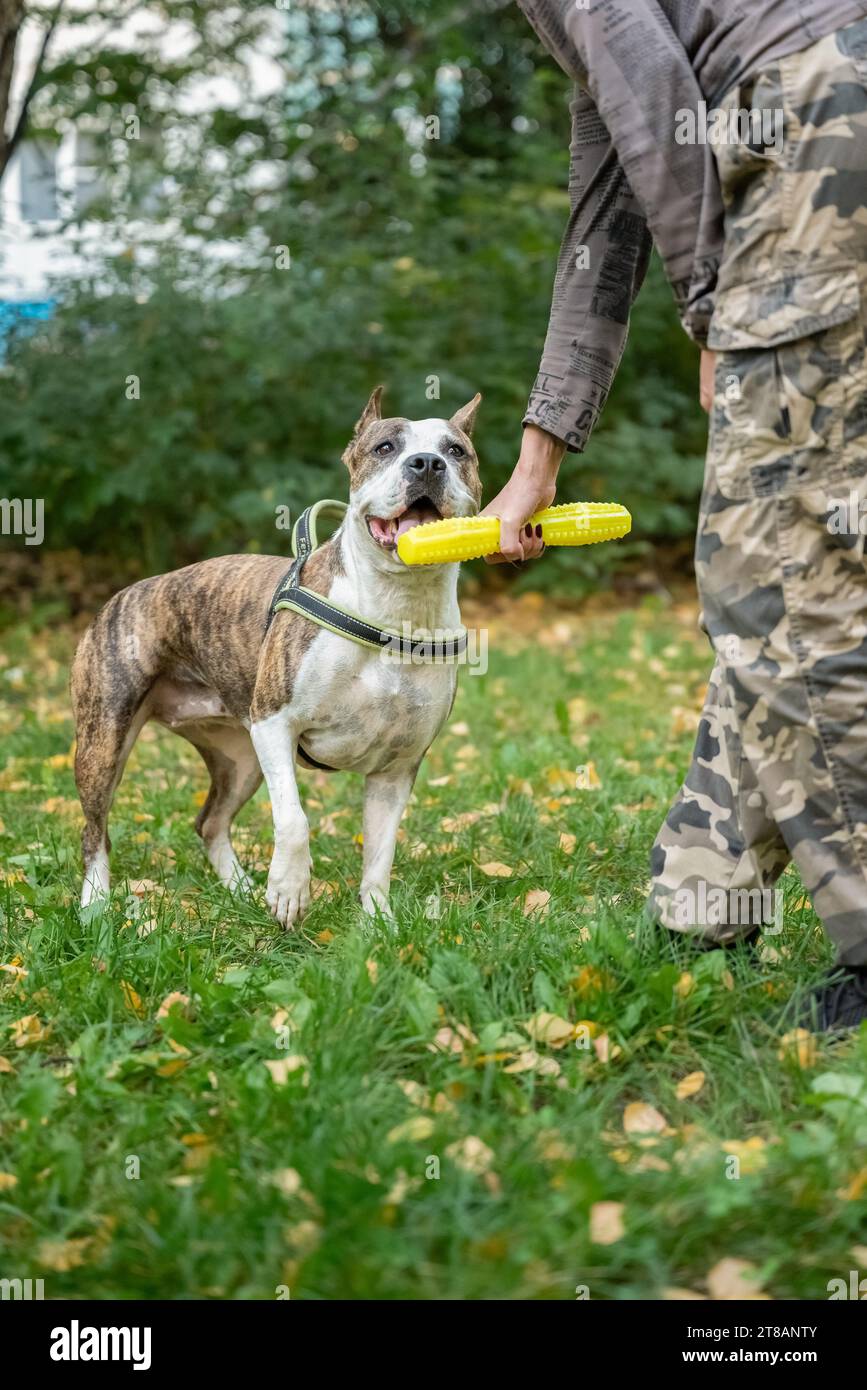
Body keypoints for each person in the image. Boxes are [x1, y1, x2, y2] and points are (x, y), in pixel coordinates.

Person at [484, 0, 867, 1029]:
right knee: (799, 564)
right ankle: (705, 896)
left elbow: (651, 90)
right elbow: (606, 208)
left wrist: (712, 294)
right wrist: (538, 455)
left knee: (777, 585)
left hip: (819, 122)